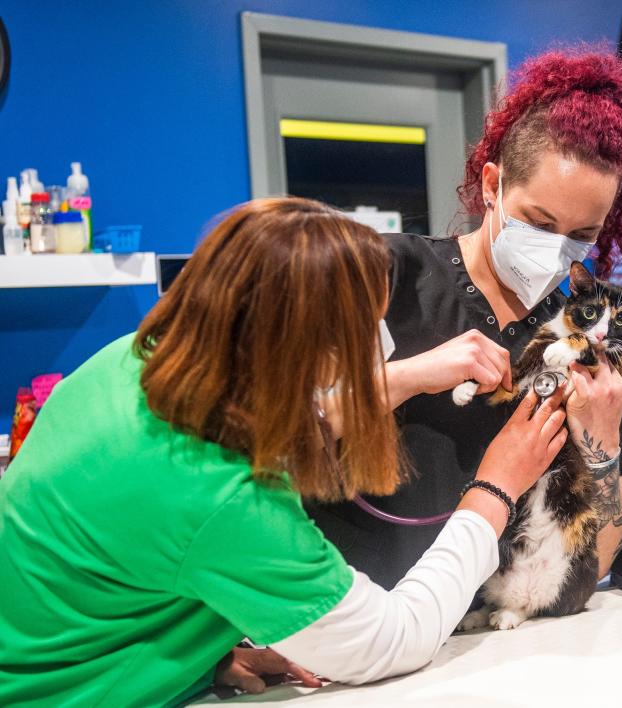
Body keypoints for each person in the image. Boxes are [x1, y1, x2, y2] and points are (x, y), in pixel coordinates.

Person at [0, 198, 569, 706]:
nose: (380, 346)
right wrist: (495, 488)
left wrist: (196, 649)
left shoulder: (133, 362)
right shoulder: (224, 496)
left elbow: (106, 573)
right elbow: (391, 639)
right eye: (365, 332)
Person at [309, 48, 622, 589]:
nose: (553, 250)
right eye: (538, 222)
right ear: (493, 186)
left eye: (581, 236)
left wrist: (604, 443)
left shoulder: (571, 335)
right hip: (356, 615)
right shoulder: (384, 274)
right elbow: (280, 435)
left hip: (489, 627)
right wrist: (410, 374)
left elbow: (595, 563)